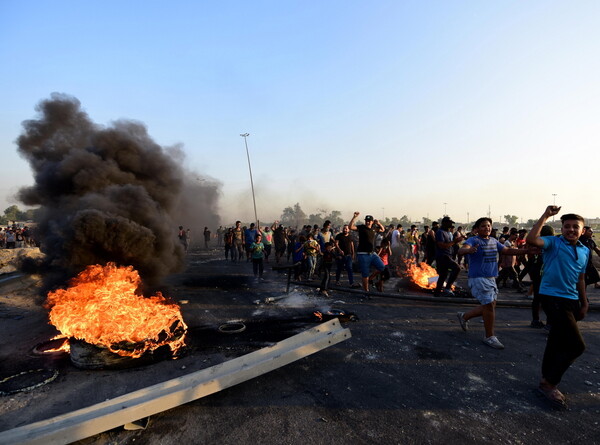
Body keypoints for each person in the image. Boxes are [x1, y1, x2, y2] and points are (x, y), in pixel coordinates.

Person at [526, 206, 589, 410]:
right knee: (577, 345)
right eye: (567, 226)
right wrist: (545, 215)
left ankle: (545, 378)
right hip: (551, 297)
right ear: (561, 229)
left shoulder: (584, 250)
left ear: (582, 230)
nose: (570, 230)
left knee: (556, 340)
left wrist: (584, 301)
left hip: (571, 299)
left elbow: (580, 277)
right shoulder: (553, 243)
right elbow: (531, 240)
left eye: (575, 227)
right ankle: (550, 383)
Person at [456, 217, 531, 350]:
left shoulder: (494, 241)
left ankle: (464, 316)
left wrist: (526, 251)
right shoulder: (473, 240)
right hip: (478, 278)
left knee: (490, 306)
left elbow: (507, 251)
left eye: (489, 226)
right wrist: (468, 250)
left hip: (491, 278)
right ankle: (489, 336)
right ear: (477, 229)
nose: (487, 228)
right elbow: (461, 250)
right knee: (489, 306)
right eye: (484, 226)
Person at [348, 212, 385, 294]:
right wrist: (354, 217)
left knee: (382, 267)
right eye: (366, 221)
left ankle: (371, 279)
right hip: (362, 254)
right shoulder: (361, 227)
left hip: (372, 254)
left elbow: (383, 229)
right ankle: (366, 292)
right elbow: (350, 227)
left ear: (372, 222)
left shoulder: (374, 228)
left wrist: (378, 223)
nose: (367, 222)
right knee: (365, 274)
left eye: (369, 221)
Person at [433, 216, 465, 297]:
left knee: (443, 275)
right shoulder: (440, 232)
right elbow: (441, 245)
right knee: (457, 268)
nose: (451, 225)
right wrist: (455, 241)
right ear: (444, 223)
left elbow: (450, 244)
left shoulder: (449, 233)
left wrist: (457, 241)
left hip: (448, 255)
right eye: (449, 223)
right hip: (442, 256)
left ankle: (437, 293)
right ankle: (447, 288)